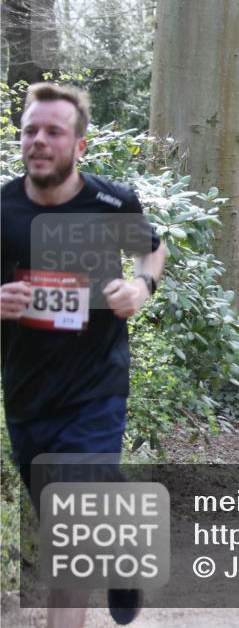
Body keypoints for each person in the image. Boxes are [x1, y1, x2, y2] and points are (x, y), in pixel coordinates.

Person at [1, 82, 166, 627]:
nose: (38, 140)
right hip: (27, 395)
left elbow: (152, 250)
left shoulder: (112, 202)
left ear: (80, 145)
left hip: (96, 387)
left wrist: (141, 286)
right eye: (30, 130)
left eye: (54, 131)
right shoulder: (3, 209)